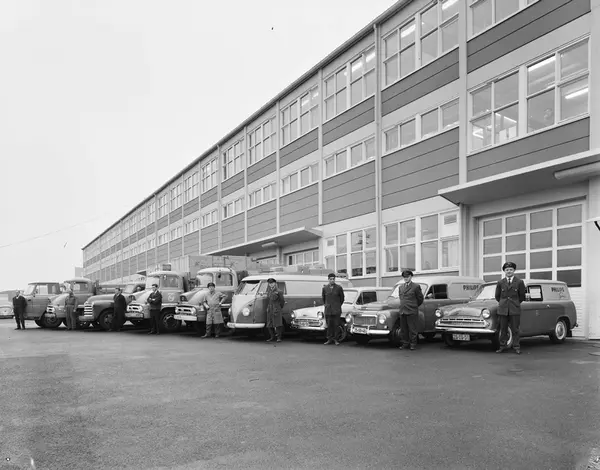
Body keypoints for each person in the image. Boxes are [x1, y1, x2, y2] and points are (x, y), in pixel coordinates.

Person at [495, 261, 526, 355]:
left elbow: (522, 296)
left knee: (515, 329)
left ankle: (516, 347)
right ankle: (502, 346)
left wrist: (515, 303)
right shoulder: (500, 282)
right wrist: (503, 303)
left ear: (514, 271)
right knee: (503, 329)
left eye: (511, 269)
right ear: (504, 271)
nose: (509, 271)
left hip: (514, 309)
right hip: (503, 309)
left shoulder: (519, 282)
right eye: (507, 270)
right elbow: (497, 296)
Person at [398, 270, 424, 351]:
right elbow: (401, 298)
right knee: (404, 329)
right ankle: (405, 343)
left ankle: (413, 344)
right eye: (404, 277)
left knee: (412, 329)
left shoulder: (416, 286)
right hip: (403, 311)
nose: (406, 278)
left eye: (407, 277)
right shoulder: (401, 287)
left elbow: (420, 299)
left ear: (411, 277)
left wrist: (414, 306)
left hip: (411, 311)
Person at [322, 273, 345, 345]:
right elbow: (324, 299)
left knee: (336, 325)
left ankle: (336, 339)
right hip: (328, 310)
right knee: (329, 325)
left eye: (333, 279)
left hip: (336, 310)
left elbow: (342, 298)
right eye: (331, 279)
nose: (332, 280)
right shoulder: (325, 288)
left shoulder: (339, 288)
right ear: (328, 279)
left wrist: (337, 305)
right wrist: (326, 305)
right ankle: (329, 339)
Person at [265, 278, 285, 343]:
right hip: (270, 309)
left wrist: (279, 307)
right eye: (269, 283)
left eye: (272, 283)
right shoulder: (269, 291)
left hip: (276, 309)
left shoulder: (279, 291)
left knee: (278, 324)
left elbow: (282, 301)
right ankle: (272, 337)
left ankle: (279, 338)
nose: (271, 284)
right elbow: (269, 300)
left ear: (275, 283)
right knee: (269, 324)